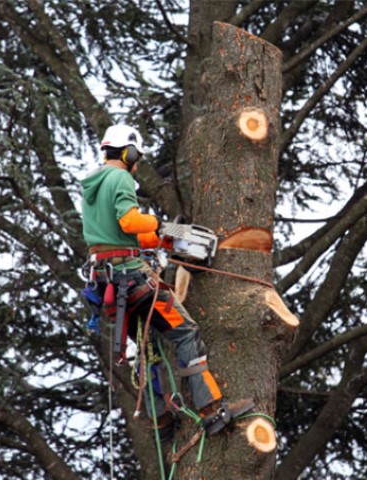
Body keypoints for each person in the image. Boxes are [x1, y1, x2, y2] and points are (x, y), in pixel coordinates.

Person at [80, 124, 251, 441]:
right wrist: (157, 222)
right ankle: (211, 411)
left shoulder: (93, 185)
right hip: (132, 278)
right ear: (128, 151)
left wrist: (158, 237)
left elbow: (119, 234)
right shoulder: (120, 177)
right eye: (136, 156)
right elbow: (129, 221)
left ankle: (160, 420)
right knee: (185, 333)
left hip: (107, 281)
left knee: (148, 348)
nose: (137, 163)